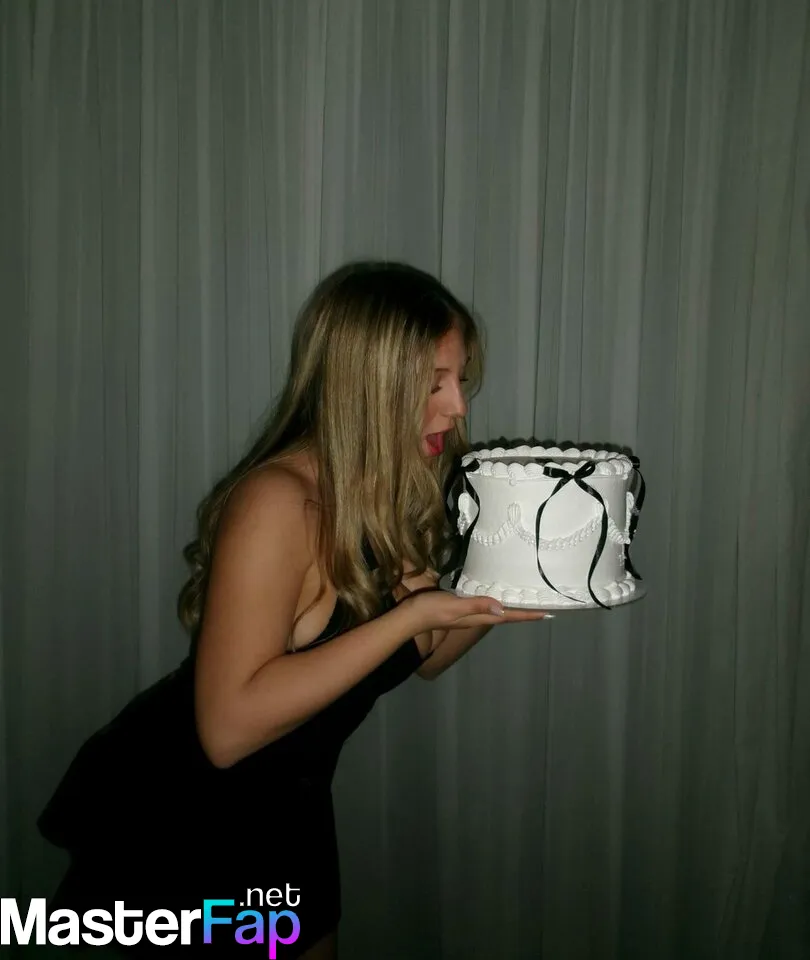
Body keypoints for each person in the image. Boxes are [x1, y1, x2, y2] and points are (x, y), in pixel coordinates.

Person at [37, 260, 549, 958]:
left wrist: (514, 584)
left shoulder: (379, 489)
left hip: (288, 806)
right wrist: (408, 618)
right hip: (179, 819)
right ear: (367, 383)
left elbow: (423, 653)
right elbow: (226, 731)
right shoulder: (279, 501)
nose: (458, 407)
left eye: (461, 380)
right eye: (434, 383)